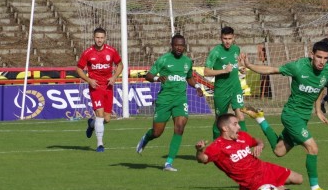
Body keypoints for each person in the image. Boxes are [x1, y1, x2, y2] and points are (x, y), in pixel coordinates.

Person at [240, 41, 328, 190]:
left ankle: (260, 119)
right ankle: (315, 188)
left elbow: (320, 89)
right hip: (291, 115)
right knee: (313, 148)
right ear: (312, 55)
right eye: (319, 57)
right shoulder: (298, 67)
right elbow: (271, 70)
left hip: (303, 118)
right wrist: (249, 65)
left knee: (279, 151)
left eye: (325, 58)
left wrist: (318, 110)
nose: (322, 62)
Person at [195, 113, 302, 190]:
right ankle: (277, 188)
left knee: (299, 179)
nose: (239, 127)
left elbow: (258, 140)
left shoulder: (242, 136)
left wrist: (260, 145)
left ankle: (277, 185)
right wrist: (200, 150)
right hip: (254, 182)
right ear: (225, 128)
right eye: (235, 124)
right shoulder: (217, 146)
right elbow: (202, 159)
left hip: (265, 168)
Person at [136, 34, 204, 171]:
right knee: (157, 132)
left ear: (185, 47)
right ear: (172, 46)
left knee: (179, 127)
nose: (179, 48)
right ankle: (146, 138)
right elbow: (148, 75)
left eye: (181, 45)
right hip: (164, 100)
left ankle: (168, 163)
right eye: (176, 45)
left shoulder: (187, 62)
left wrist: (196, 86)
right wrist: (157, 78)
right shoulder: (164, 60)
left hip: (180, 99)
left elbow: (189, 77)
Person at [76, 27, 123, 153]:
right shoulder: (88, 53)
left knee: (106, 119)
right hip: (95, 87)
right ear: (94, 37)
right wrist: (89, 80)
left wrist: (114, 77)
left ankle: (91, 124)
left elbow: (120, 65)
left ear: (105, 38)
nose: (99, 40)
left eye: (102, 37)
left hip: (108, 87)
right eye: (97, 37)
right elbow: (79, 69)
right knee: (100, 115)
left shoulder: (111, 51)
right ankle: (100, 144)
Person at [204, 26, 248, 139]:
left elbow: (236, 65)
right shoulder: (215, 52)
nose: (227, 41)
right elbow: (206, 72)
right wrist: (224, 71)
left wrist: (241, 68)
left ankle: (244, 144)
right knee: (220, 120)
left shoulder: (236, 49)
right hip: (221, 90)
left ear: (234, 38)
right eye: (225, 38)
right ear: (221, 38)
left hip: (235, 87)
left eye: (229, 38)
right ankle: (216, 147)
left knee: (240, 115)